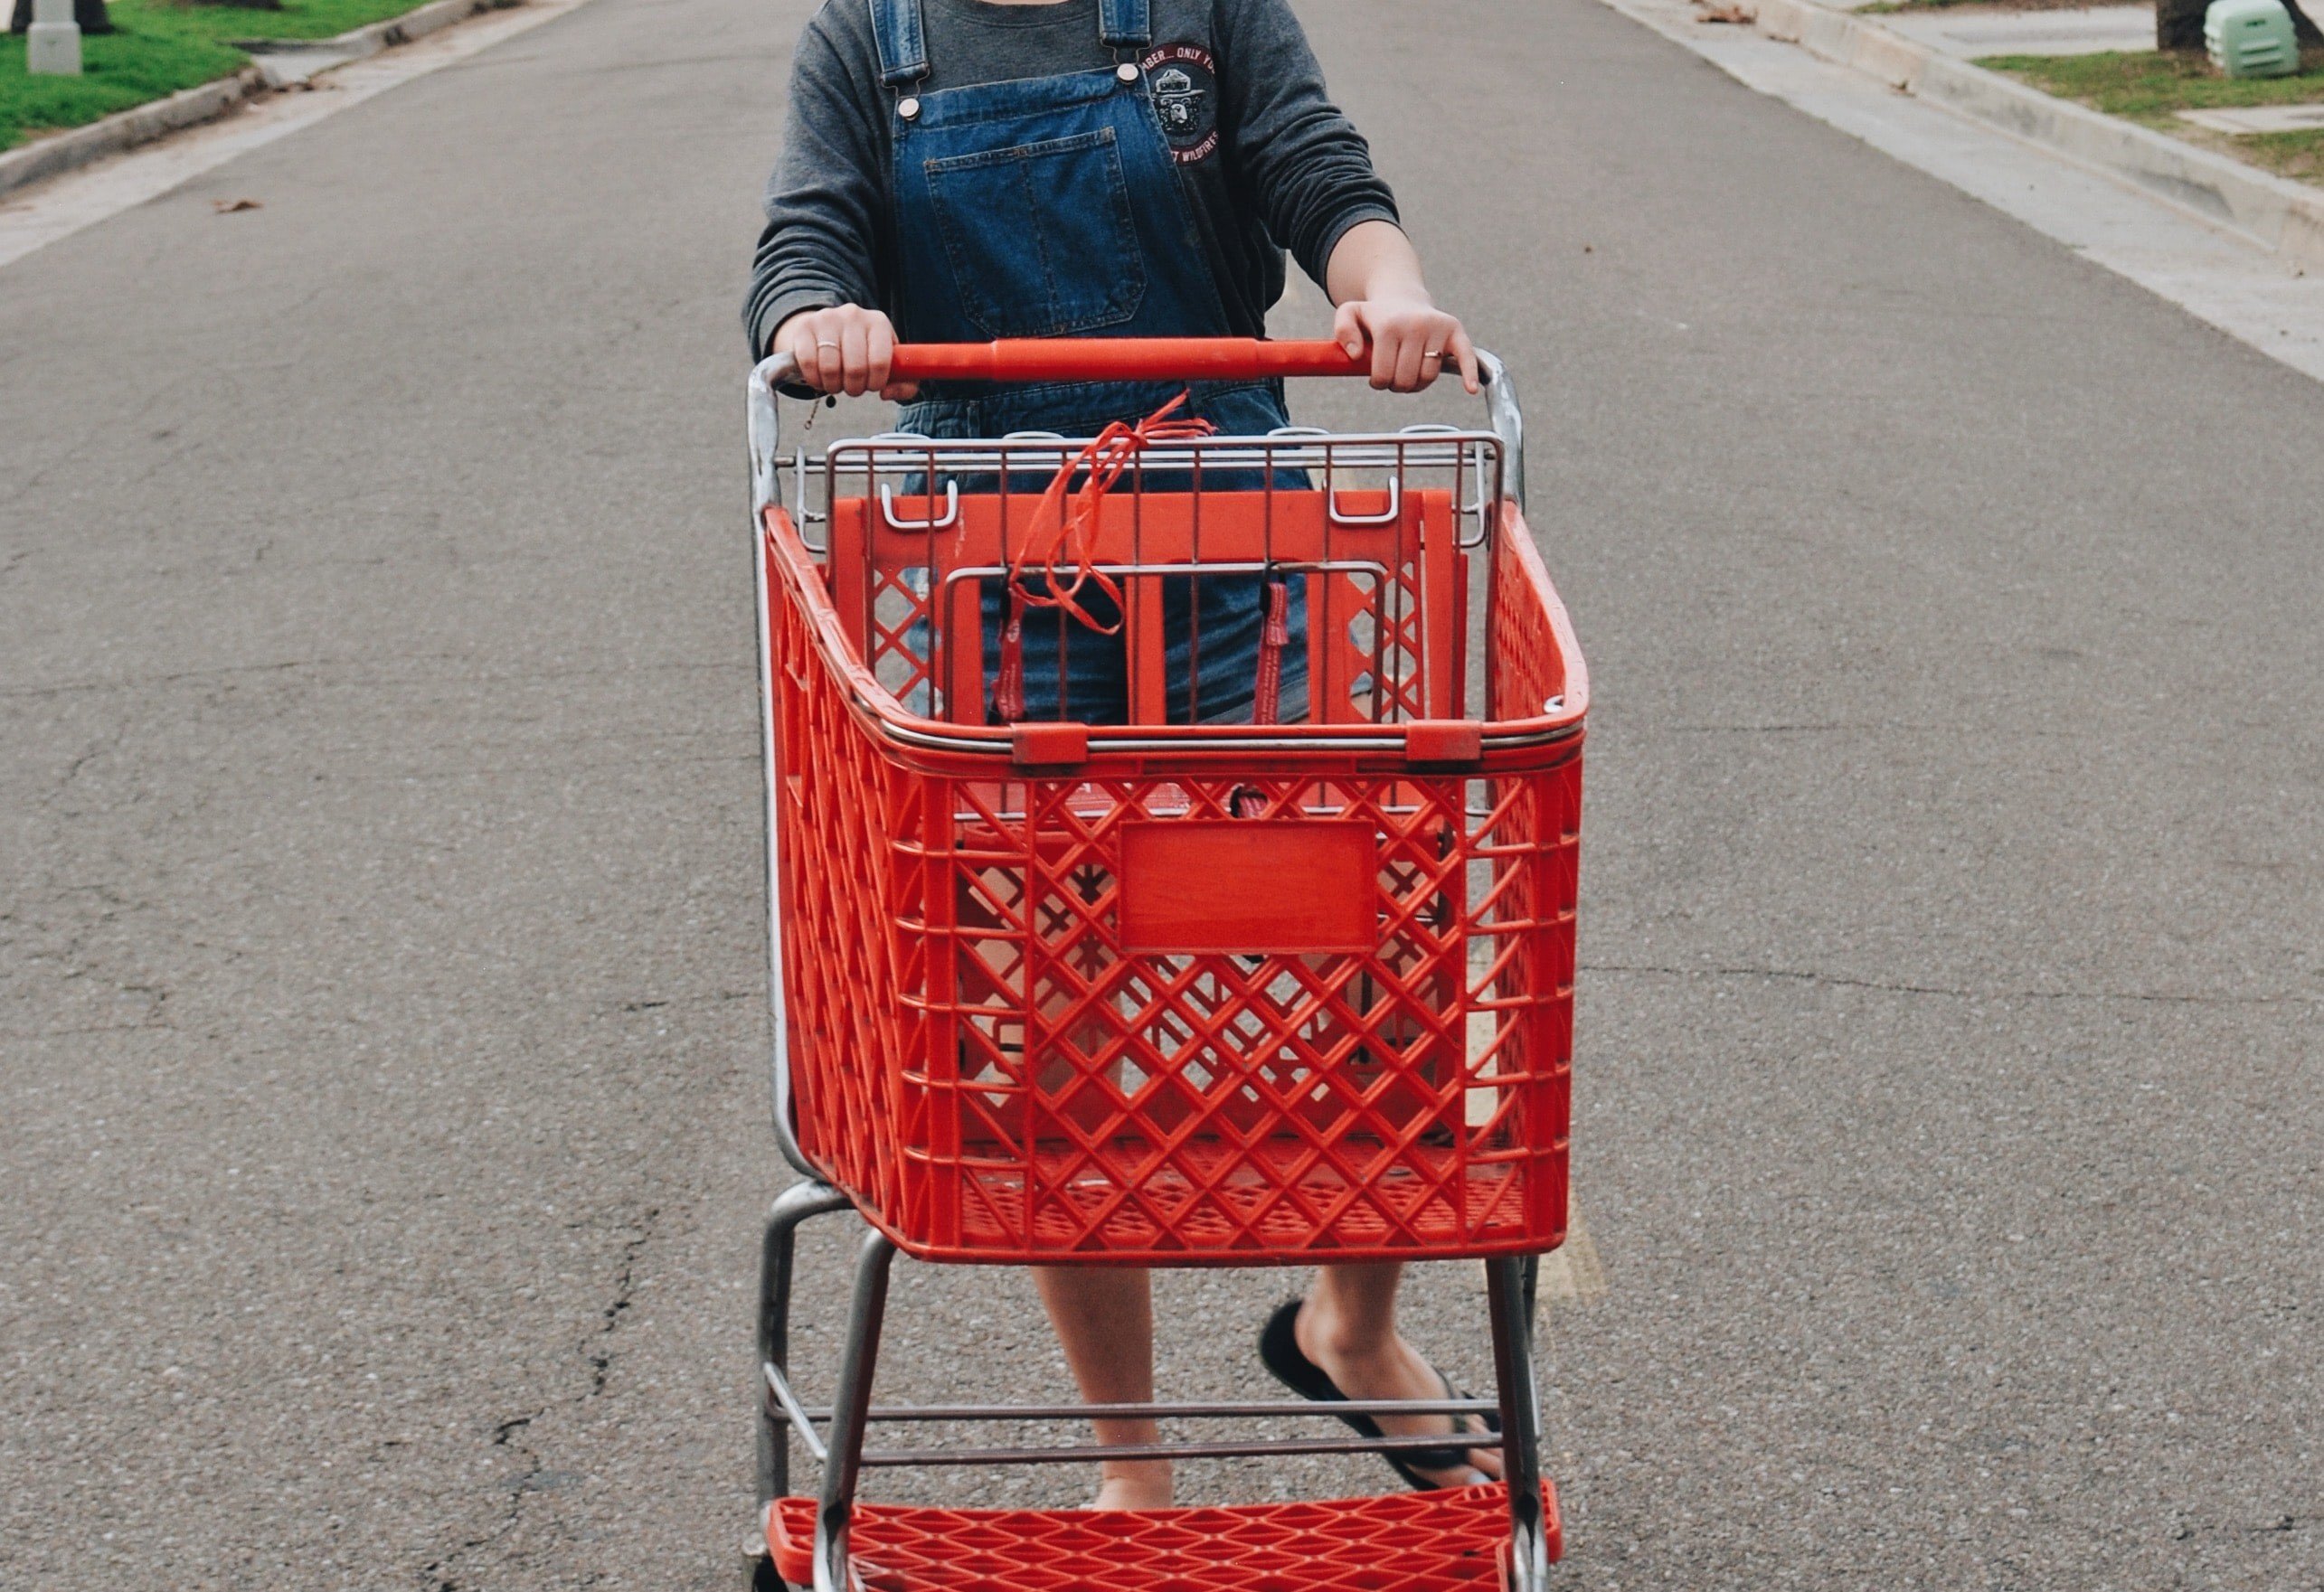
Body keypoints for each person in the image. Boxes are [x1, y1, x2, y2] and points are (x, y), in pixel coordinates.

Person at [746, 0, 1497, 1510]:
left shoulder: (1203, 11)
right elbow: (806, 240)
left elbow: (1315, 175)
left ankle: (1349, 1325)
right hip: (994, 583)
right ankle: (1131, 1453)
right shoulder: (871, 41)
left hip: (1244, 547)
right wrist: (818, 322)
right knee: (1062, 1011)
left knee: (1369, 944)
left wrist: (1389, 288)